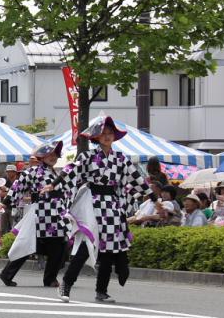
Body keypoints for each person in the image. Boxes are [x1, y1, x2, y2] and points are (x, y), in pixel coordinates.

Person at [42, 116, 155, 303]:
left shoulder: (121, 159)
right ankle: (66, 284)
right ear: (97, 137)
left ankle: (101, 291)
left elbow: (137, 179)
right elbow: (71, 170)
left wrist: (153, 197)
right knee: (88, 245)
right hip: (92, 203)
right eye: (104, 134)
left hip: (112, 205)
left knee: (109, 249)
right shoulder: (87, 156)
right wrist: (54, 184)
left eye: (110, 134)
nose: (108, 137)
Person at [0, 141, 69, 287]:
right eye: (49, 154)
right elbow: (17, 188)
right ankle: (48, 278)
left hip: (57, 213)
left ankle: (9, 274)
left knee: (53, 244)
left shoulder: (56, 173)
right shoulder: (32, 172)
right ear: (41, 156)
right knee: (51, 244)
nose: (53, 157)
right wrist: (5, 202)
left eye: (55, 154)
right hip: (42, 213)